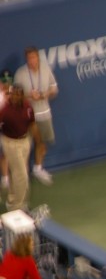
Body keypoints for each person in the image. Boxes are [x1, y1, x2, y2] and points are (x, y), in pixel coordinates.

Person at [13, 46, 58, 185]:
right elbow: (14, 98)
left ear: (38, 57)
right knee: (24, 147)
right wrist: (29, 96)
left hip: (44, 114)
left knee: (42, 143)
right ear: (26, 59)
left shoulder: (46, 69)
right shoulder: (20, 73)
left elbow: (54, 88)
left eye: (34, 58)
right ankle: (22, 175)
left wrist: (46, 94)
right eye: (29, 59)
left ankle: (38, 168)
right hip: (27, 116)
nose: (32, 61)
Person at [0, 84, 40, 211]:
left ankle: (12, 200)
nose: (16, 97)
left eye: (19, 94)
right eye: (14, 94)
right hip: (11, 143)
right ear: (10, 95)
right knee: (22, 175)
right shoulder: (5, 111)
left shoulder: (27, 107)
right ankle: (18, 207)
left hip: (25, 142)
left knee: (17, 173)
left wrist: (39, 141)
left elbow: (32, 124)